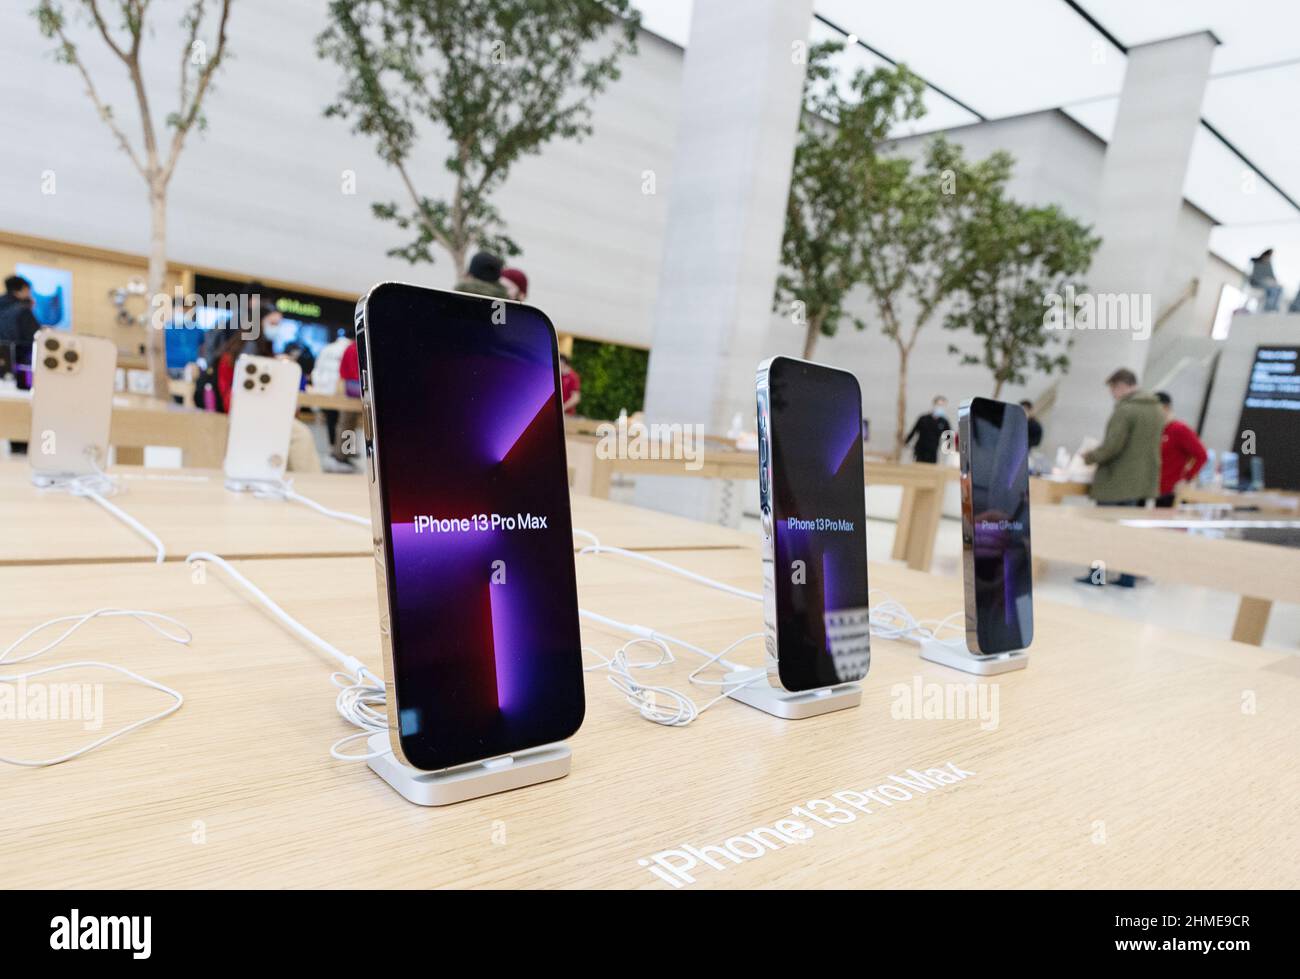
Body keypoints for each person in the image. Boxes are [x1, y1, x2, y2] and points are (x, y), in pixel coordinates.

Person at [1076, 368, 1165, 587]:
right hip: (1141, 483)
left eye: (1113, 389)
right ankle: (1127, 577)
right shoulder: (1156, 410)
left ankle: (1097, 577)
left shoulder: (1125, 410)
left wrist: (1089, 457)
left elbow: (1113, 446)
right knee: (1128, 533)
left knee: (1102, 531)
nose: (1112, 395)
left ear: (1121, 385)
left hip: (1117, 482)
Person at [1155, 391, 1207, 508]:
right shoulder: (1158, 430)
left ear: (1165, 408)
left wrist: (1186, 478)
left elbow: (1202, 455)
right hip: (1156, 489)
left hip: (1170, 492)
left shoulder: (1179, 429)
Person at [0, 275, 40, 360]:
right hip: (16, 358)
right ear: (23, 289)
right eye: (28, 291)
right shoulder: (23, 310)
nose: (29, 294)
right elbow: (35, 337)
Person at [904, 396, 951, 464]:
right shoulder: (923, 418)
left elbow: (949, 436)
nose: (940, 408)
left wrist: (951, 449)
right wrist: (906, 442)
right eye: (938, 405)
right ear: (934, 405)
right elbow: (913, 431)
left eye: (942, 406)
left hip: (933, 451)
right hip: (920, 449)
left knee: (931, 469)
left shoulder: (944, 421)